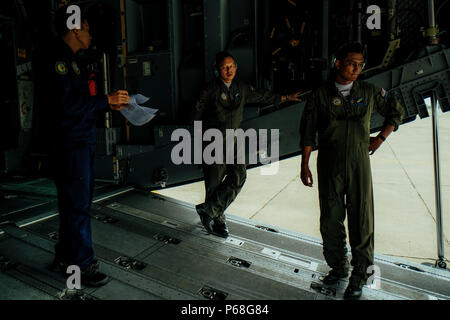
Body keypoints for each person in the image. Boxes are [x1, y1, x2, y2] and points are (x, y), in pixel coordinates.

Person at [299, 42, 404, 299]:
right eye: (351, 63)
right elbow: (308, 132)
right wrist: (304, 164)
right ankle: (339, 268)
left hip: (359, 164)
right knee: (330, 219)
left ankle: (359, 278)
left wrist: (380, 139)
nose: (356, 69)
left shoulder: (368, 92)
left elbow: (396, 111)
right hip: (329, 164)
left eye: (360, 64)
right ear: (338, 63)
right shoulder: (320, 95)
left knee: (362, 220)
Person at [47, 6, 129, 287]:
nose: (90, 32)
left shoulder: (71, 60)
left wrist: (106, 102)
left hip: (78, 142)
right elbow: (66, 107)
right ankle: (81, 266)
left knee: (73, 205)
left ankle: (64, 257)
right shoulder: (58, 60)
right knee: (78, 206)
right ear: (74, 28)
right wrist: (106, 100)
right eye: (87, 27)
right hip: (72, 145)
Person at [193, 51, 301, 238]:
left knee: (239, 175)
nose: (229, 70)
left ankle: (209, 211)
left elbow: (261, 97)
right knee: (214, 182)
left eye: (232, 66)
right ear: (217, 70)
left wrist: (284, 98)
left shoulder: (240, 88)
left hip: (233, 139)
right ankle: (217, 219)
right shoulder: (209, 90)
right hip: (214, 139)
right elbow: (196, 113)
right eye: (224, 67)